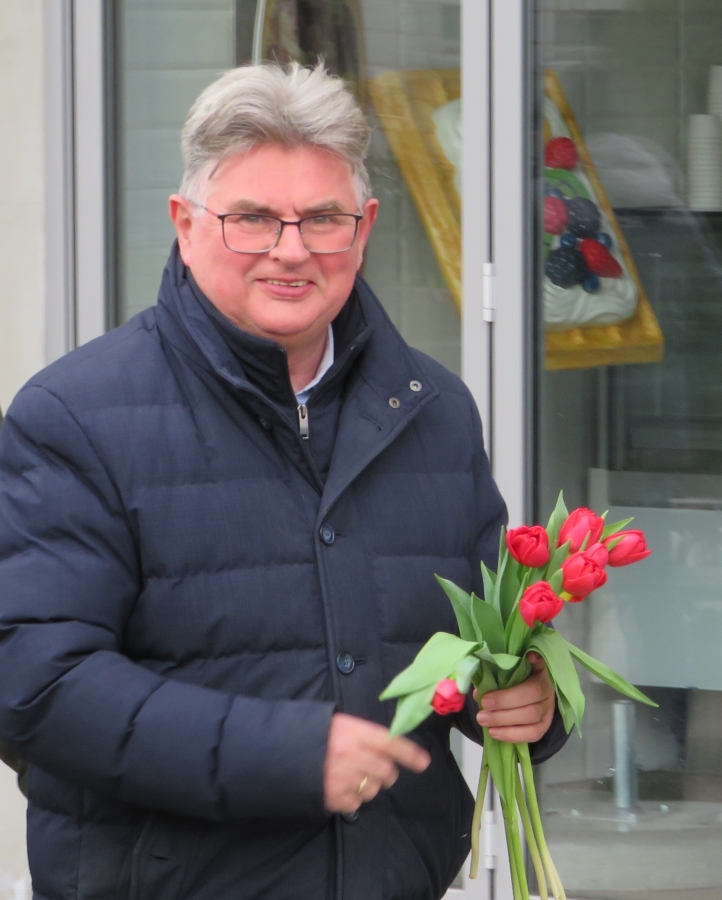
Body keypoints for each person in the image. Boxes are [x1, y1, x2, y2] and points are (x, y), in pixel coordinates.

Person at [0, 63, 567, 900]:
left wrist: (534, 703)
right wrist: (283, 755)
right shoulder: (75, 416)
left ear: (364, 228)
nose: (291, 250)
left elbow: (487, 645)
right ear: (185, 224)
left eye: (323, 219)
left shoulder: (435, 410)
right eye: (253, 219)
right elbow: (38, 687)